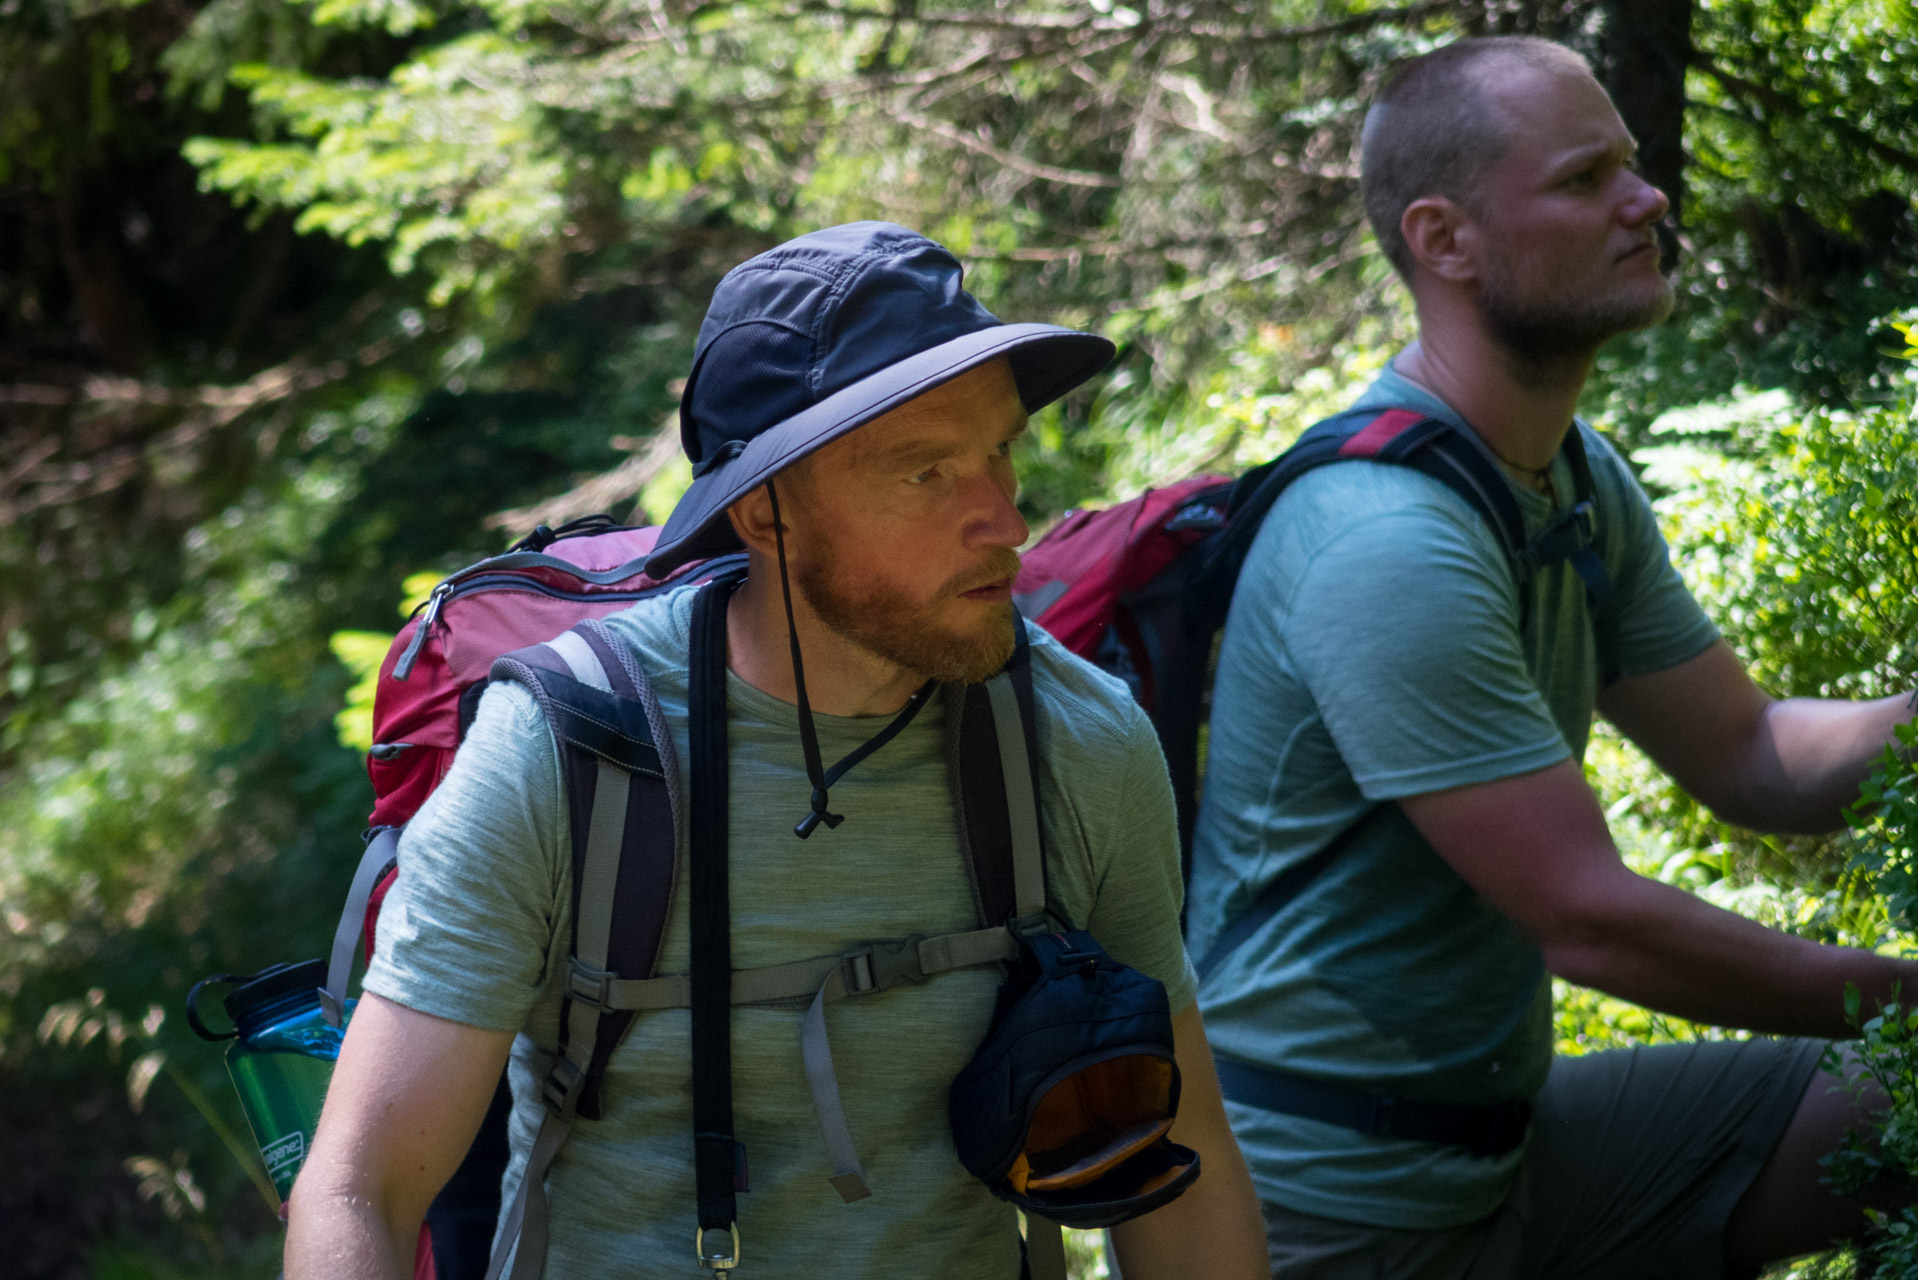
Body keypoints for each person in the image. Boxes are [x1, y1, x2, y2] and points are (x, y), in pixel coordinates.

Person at [286, 222, 1267, 1280]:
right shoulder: (568, 757)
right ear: (764, 510)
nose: (1003, 518)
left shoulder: (1078, 742)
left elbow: (1187, 1153)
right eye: (925, 472)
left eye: (998, 453)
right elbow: (360, 1186)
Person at [1184, 36, 1918, 1279]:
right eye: (1586, 181)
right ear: (1444, 238)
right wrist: (1906, 995)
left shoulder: (1566, 473)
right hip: (1327, 1211)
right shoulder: (1383, 540)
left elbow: (1753, 759)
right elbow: (1590, 923)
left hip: (1507, 1145)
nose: (1648, 200)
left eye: (1633, 167)